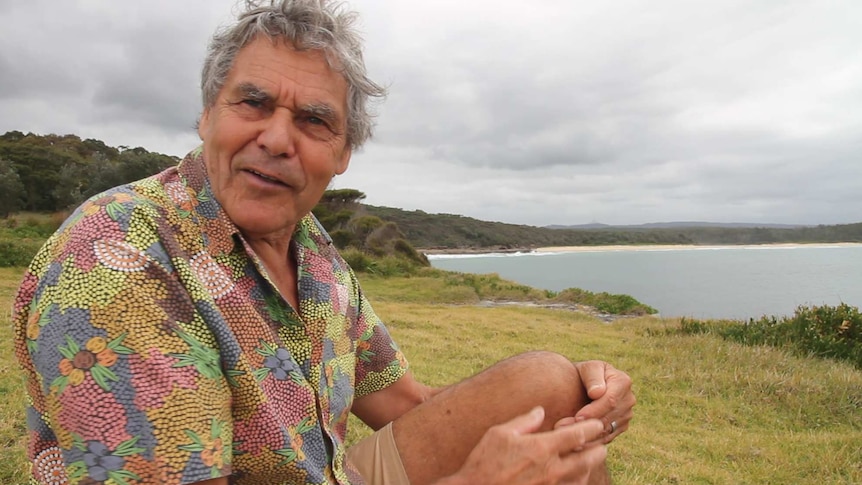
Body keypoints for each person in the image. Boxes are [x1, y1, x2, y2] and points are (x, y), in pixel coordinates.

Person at [13, 1, 635, 484]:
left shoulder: (309, 249)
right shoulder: (116, 261)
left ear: (341, 154)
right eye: (252, 103)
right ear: (207, 116)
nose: (278, 139)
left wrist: (586, 395)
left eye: (314, 120)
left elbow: (407, 402)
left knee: (548, 385)